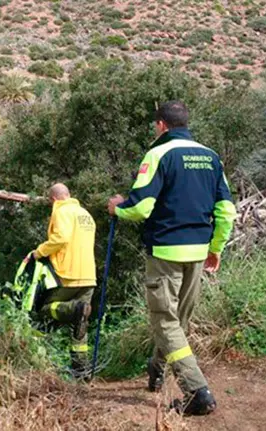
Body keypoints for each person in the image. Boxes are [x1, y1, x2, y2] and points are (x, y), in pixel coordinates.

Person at [107, 101, 237, 415]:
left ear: (162, 125)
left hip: (165, 250)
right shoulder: (211, 157)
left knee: (165, 321)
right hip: (197, 251)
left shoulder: (158, 154)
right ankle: (156, 369)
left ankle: (198, 392)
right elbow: (227, 210)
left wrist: (117, 207)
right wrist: (215, 248)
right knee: (177, 321)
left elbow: (141, 207)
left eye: (155, 126)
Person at [30, 183, 97, 378]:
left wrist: (38, 252)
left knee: (44, 310)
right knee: (80, 325)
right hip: (88, 275)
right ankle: (81, 370)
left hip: (67, 274)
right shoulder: (86, 214)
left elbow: (61, 238)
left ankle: (36, 360)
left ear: (53, 199)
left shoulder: (61, 211)